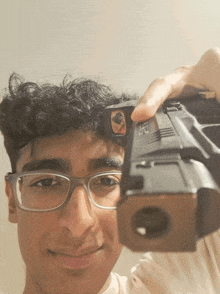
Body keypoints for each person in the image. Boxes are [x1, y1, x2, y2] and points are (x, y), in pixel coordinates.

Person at [0, 47, 220, 294]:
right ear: (12, 200)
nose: (79, 223)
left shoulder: (189, 279)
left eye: (106, 181)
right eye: (47, 183)